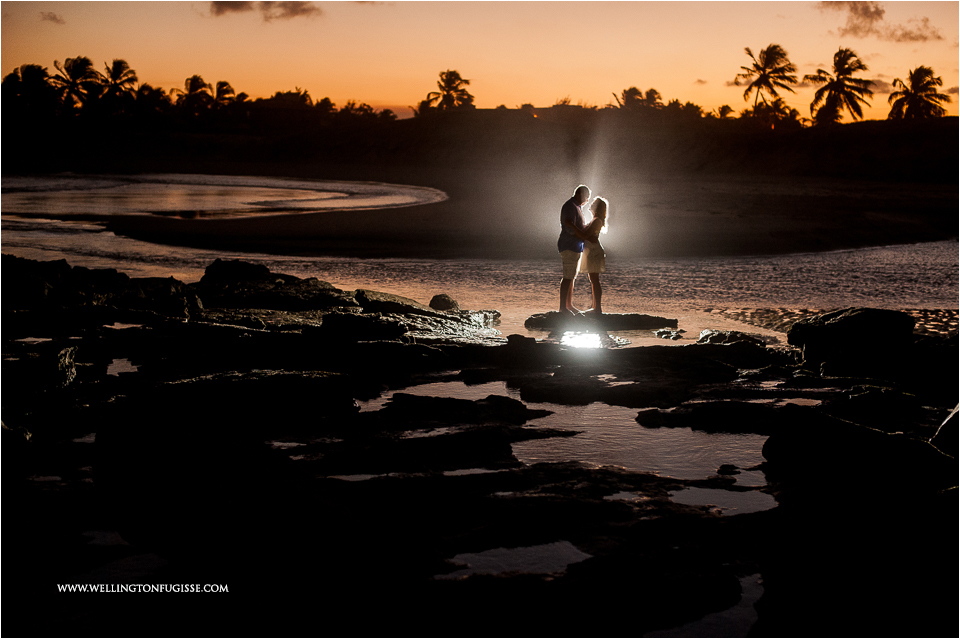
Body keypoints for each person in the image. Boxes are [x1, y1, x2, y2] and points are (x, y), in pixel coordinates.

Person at [557, 184, 590, 314]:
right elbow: (569, 226)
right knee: (567, 276)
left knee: (571, 276)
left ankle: (569, 305)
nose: (587, 200)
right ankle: (563, 308)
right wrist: (583, 235)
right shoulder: (570, 206)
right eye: (587, 197)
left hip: (575, 246)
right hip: (568, 245)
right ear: (580, 194)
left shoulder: (577, 207)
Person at [579, 196, 608, 314]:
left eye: (593, 203)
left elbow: (587, 235)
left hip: (594, 251)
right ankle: (595, 306)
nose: (591, 204)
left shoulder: (597, 221)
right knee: (593, 279)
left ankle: (598, 308)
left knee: (595, 279)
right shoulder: (595, 219)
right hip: (591, 250)